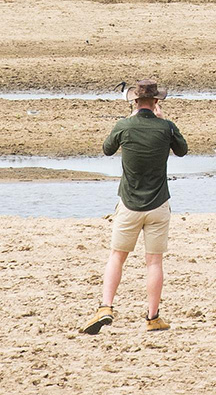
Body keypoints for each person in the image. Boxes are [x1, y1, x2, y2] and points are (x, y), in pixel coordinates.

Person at [81, 80, 188, 334]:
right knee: (154, 262)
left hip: (129, 203)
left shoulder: (124, 126)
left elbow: (107, 149)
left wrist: (129, 120)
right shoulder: (166, 128)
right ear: (156, 102)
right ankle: (152, 316)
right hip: (159, 203)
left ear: (135, 102)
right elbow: (182, 150)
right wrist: (164, 121)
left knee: (117, 256)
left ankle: (106, 306)